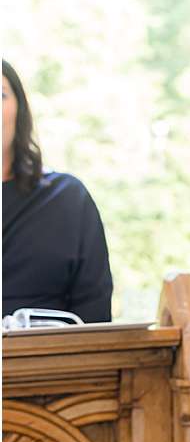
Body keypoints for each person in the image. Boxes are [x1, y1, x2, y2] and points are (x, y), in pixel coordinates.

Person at [2, 61, 113, 322]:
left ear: (19, 110)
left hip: (51, 358)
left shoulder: (67, 198)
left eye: (0, 94)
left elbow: (94, 311)